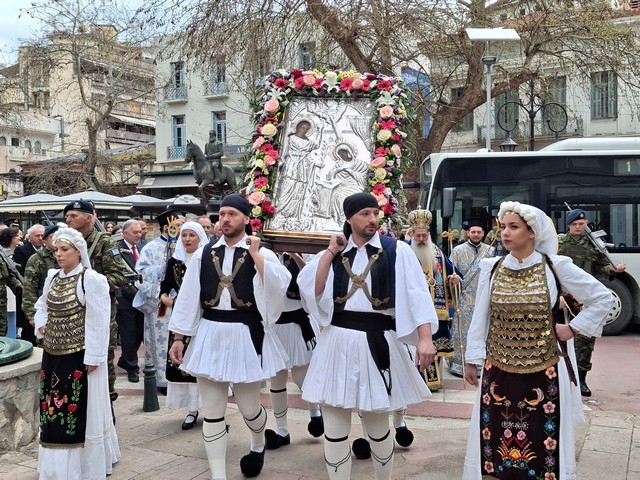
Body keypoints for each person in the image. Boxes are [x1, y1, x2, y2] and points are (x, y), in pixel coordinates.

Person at [462, 201, 612, 480]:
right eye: (503, 227)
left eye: (514, 227)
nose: (505, 232)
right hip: (498, 370)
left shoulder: (554, 267)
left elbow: (603, 298)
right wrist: (472, 360)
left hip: (545, 371)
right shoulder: (492, 268)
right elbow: (480, 317)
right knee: (496, 439)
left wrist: (574, 328)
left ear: (532, 232)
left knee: (542, 440)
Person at [298, 192, 438, 480]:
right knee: (334, 429)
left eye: (375, 213)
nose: (372, 219)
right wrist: (330, 252)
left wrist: (425, 339)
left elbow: (417, 294)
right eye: (365, 214)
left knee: (377, 425)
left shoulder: (397, 250)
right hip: (337, 341)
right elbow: (314, 290)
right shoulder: (334, 252)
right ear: (349, 219)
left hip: (379, 339)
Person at [168, 194, 291, 479]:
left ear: (247, 218)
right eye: (222, 214)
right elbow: (188, 297)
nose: (225, 219)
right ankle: (218, 475)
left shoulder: (261, 252)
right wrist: (179, 337)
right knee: (213, 411)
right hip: (210, 333)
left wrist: (256, 255)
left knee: (249, 409)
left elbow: (279, 286)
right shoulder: (203, 253)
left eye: (232, 214)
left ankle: (258, 443)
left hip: (247, 335)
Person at [34, 227, 120, 479]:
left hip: (79, 356)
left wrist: (93, 357)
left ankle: (83, 466)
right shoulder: (52, 277)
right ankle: (56, 465)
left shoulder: (90, 279)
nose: (58, 254)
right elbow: (42, 304)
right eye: (56, 250)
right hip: (52, 354)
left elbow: (98, 319)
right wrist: (42, 324)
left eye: (64, 250)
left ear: (78, 251)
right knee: (52, 406)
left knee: (80, 408)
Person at [64, 199, 128, 403]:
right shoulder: (64, 242)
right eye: (67, 215)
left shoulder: (104, 243)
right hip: (71, 316)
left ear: (89, 218)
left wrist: (88, 285)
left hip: (99, 314)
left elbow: (119, 277)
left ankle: (106, 407)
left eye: (74, 215)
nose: (68, 219)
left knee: (102, 364)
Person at [557, 208, 626, 397]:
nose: (578, 227)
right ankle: (562, 379)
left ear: (586, 223)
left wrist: (613, 269)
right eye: (574, 224)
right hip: (563, 298)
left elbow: (602, 267)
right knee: (559, 338)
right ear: (568, 225)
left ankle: (581, 379)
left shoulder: (594, 244)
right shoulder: (559, 243)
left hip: (586, 297)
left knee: (585, 340)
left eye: (581, 224)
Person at [264, 252, 323, 449]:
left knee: (302, 377)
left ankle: (315, 411)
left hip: (299, 324)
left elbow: (312, 282)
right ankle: (282, 430)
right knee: (277, 379)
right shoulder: (266, 254)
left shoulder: (306, 253)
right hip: (275, 325)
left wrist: (295, 256)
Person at [159, 221, 208, 430]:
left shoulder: (207, 259)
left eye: (191, 235)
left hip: (204, 316)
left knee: (202, 362)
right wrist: (164, 298)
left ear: (200, 238)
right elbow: (165, 286)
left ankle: (212, 408)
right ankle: (191, 409)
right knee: (183, 362)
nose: (187, 239)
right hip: (181, 317)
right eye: (184, 235)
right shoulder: (175, 261)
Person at [406, 208, 461, 392]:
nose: (422, 239)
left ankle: (430, 382)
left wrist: (453, 281)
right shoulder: (404, 252)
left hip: (434, 311)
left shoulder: (437, 253)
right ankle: (411, 382)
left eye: (424, 236)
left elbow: (454, 274)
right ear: (412, 233)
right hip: (410, 310)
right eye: (418, 236)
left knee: (433, 346)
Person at [134, 209, 183, 394]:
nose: (181, 228)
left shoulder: (185, 244)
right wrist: (162, 268)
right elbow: (141, 273)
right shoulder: (151, 248)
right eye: (178, 225)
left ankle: (181, 375)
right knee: (160, 341)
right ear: (167, 227)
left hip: (181, 301)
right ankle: (163, 380)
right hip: (161, 303)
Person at [449, 218, 494, 377]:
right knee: (464, 333)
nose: (476, 234)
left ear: (483, 233)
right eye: (473, 232)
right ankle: (459, 365)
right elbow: (450, 272)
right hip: (464, 299)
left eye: (478, 232)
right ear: (468, 233)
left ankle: (482, 366)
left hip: (484, 299)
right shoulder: (457, 251)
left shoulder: (491, 251)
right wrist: (453, 280)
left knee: (483, 332)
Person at [115, 219, 144, 383]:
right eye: (135, 232)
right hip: (125, 299)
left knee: (139, 333)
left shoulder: (142, 247)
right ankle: (132, 368)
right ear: (125, 233)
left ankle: (125, 360)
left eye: (140, 232)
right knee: (128, 335)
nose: (139, 235)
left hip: (142, 297)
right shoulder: (116, 248)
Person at [22, 224, 59, 345]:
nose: (56, 240)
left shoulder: (68, 256)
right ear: (45, 240)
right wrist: (32, 315)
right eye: (52, 237)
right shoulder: (37, 259)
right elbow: (29, 289)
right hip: (44, 310)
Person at [0, 227, 23, 337]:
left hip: (2, 300)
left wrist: (17, 284)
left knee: (2, 329)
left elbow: (8, 274)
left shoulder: (2, 255)